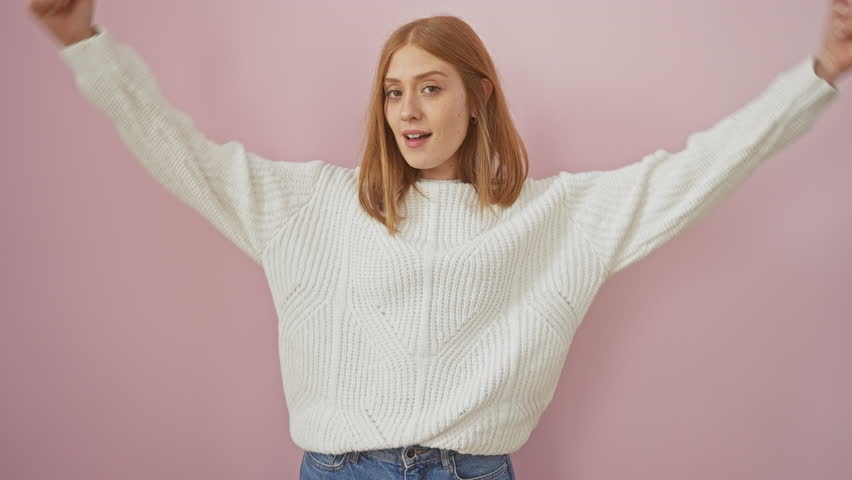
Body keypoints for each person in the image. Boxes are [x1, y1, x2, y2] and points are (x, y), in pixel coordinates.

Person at [29, 1, 849, 479]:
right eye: (393, 93)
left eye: (430, 88)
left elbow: (697, 169)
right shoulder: (313, 206)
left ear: (478, 95)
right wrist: (85, 45)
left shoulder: (552, 219)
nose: (409, 112)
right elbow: (176, 147)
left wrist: (816, 75)